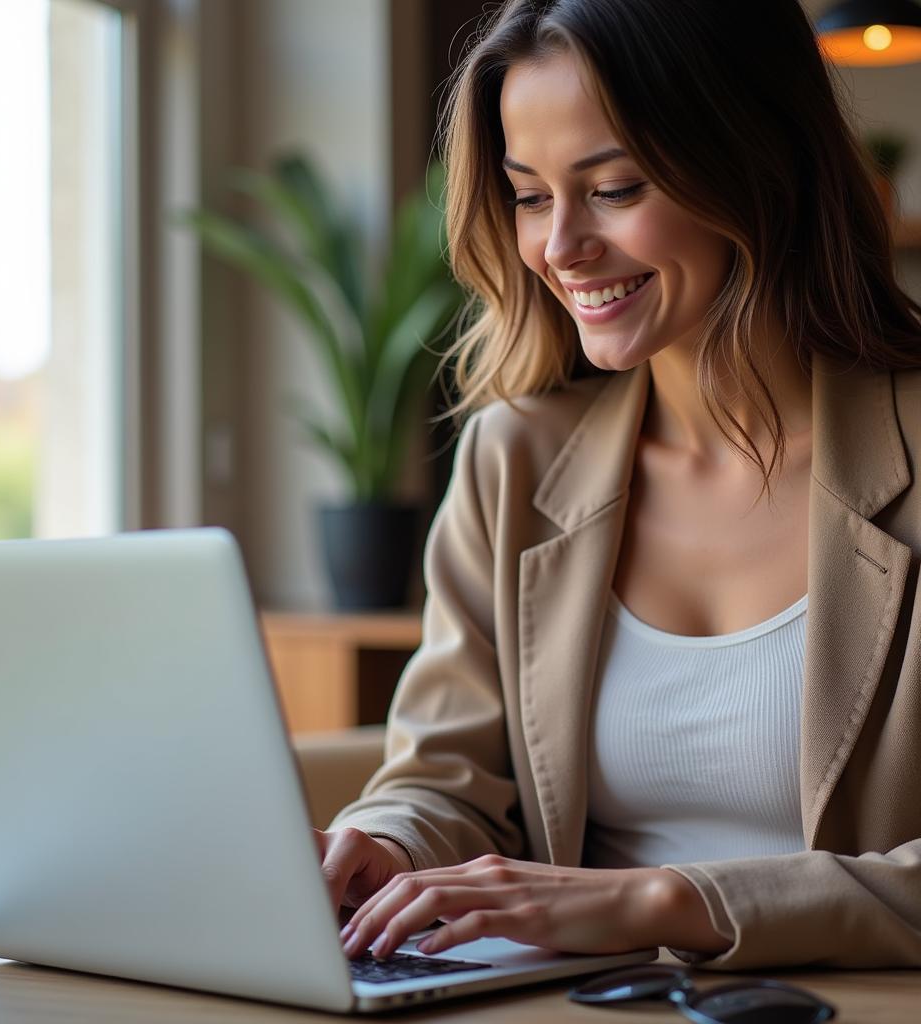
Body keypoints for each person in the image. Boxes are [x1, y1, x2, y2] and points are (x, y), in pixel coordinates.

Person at [315, 0, 921, 970]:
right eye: (529, 194)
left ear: (754, 166)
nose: (560, 246)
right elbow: (447, 777)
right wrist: (387, 842)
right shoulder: (513, 458)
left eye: (612, 187)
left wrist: (661, 901)